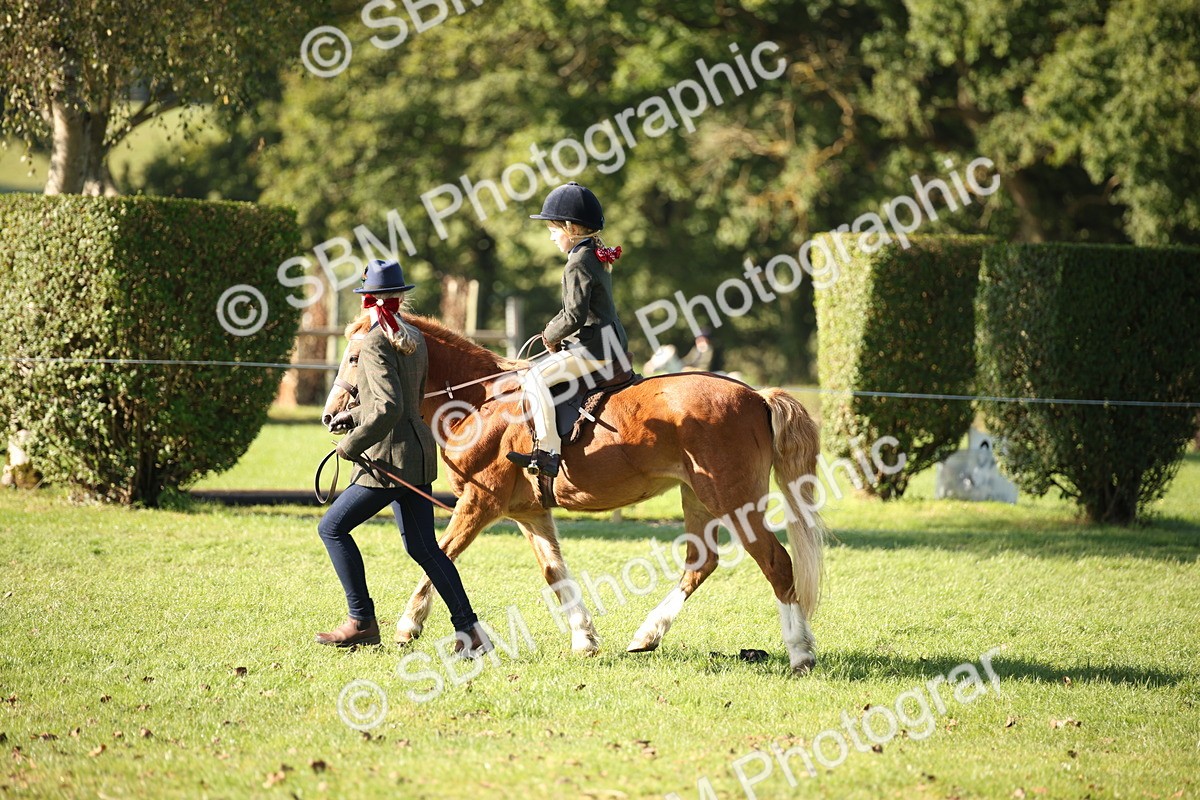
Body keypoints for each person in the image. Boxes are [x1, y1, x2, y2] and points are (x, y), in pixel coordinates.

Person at [316, 259, 491, 657]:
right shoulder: (412, 335)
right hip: (416, 451)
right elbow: (397, 401)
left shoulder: (375, 340)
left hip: (388, 460)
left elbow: (388, 408)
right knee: (424, 548)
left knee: (332, 529)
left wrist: (350, 445)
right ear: (399, 297)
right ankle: (471, 632)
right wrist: (351, 414)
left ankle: (360, 621)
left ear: (368, 300)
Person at [506, 182, 629, 478]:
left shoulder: (578, 262)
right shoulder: (592, 254)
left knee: (535, 378)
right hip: (610, 343)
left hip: (594, 349)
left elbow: (573, 315)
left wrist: (549, 335)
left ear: (572, 228)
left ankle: (547, 452)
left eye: (553, 229)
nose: (550, 236)